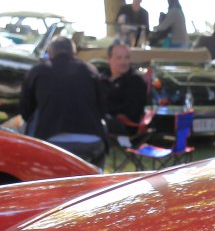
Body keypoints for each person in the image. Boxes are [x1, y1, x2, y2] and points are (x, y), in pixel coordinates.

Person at [19, 36, 107, 165]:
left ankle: (30, 164)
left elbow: (25, 111)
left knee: (35, 116)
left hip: (53, 143)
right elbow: (102, 109)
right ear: (74, 52)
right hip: (93, 141)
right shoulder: (90, 70)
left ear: (50, 53)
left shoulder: (37, 71)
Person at [103, 42, 149, 142]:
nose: (123, 62)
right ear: (109, 60)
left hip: (125, 128)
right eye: (119, 58)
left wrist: (105, 109)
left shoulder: (135, 81)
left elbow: (131, 110)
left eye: (127, 58)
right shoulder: (102, 79)